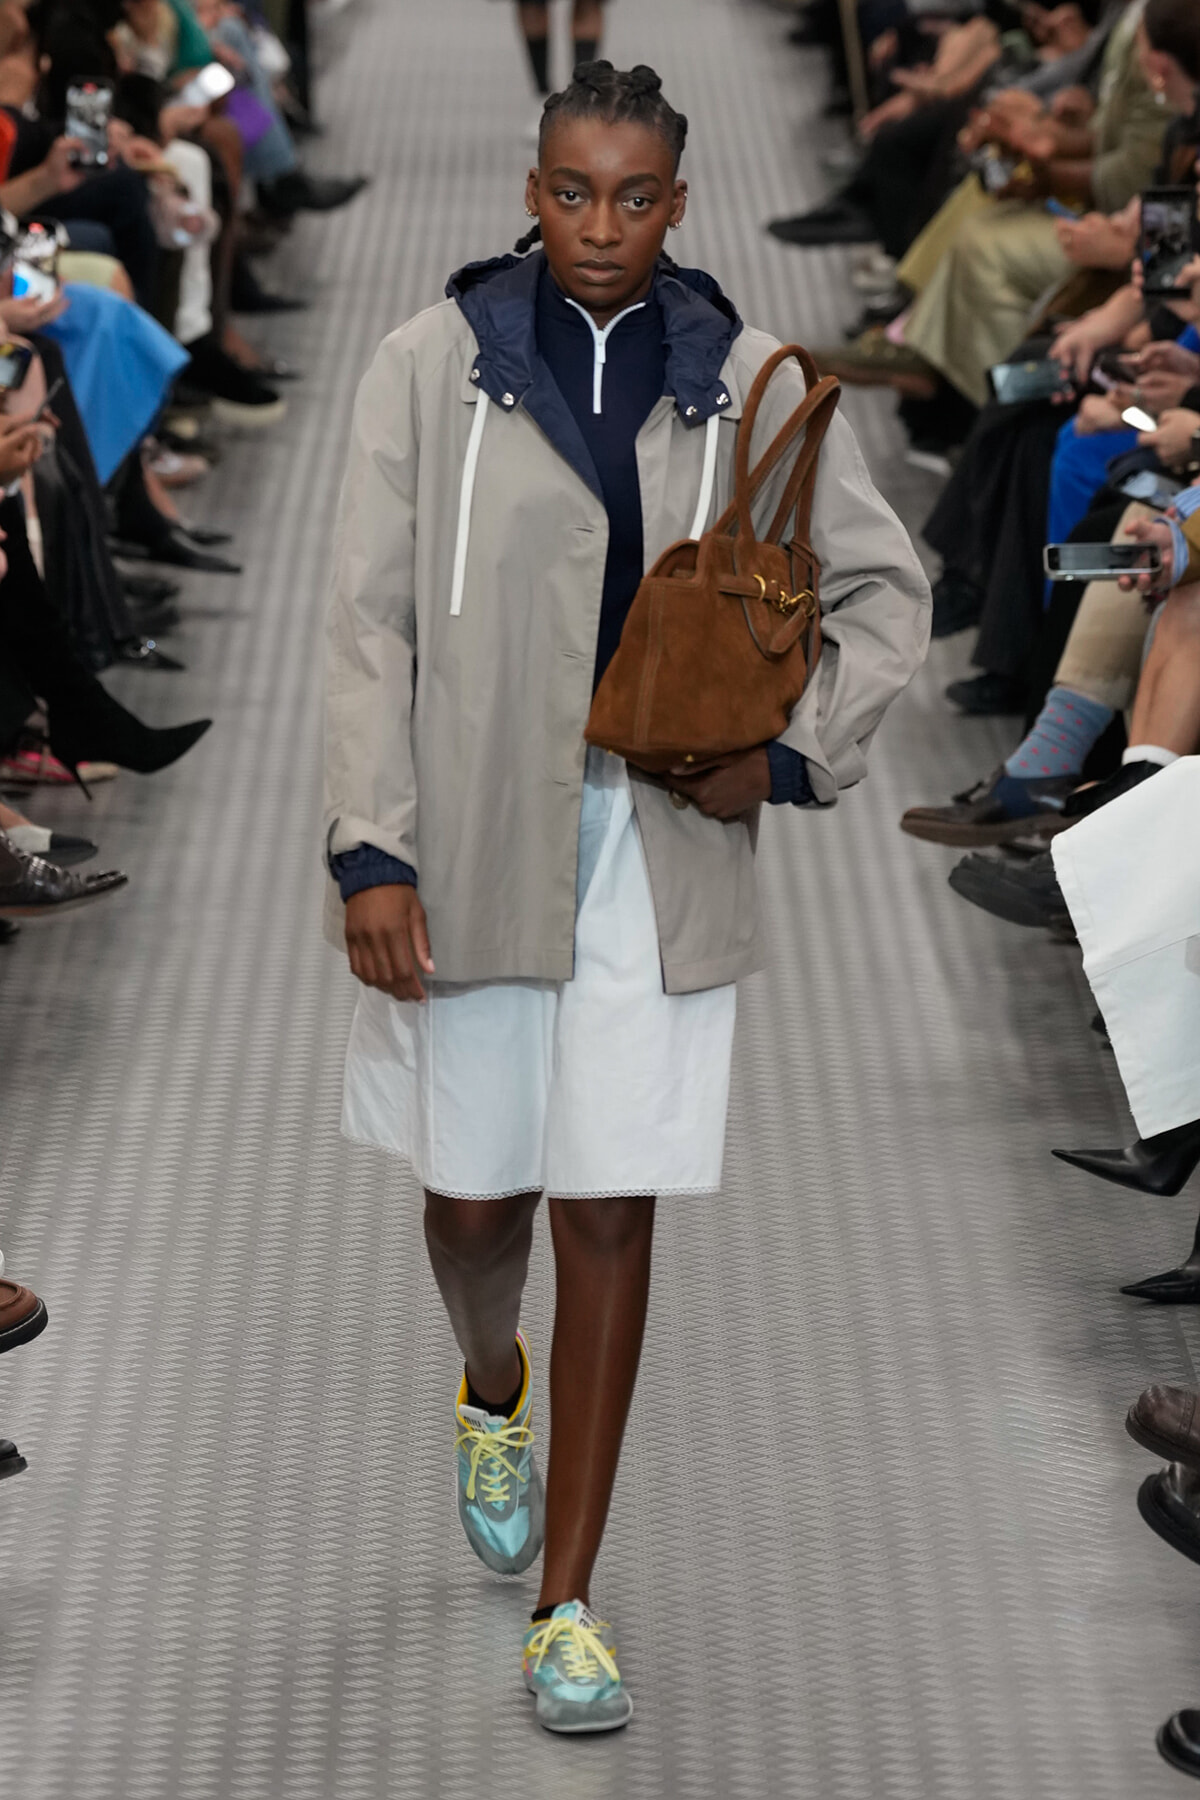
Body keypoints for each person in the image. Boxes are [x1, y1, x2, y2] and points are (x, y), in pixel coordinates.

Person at [323, 60, 930, 1734]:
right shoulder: (429, 369)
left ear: (680, 200)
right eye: (573, 192)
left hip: (657, 847)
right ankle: (488, 1382)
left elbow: (888, 586)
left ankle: (569, 1601)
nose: (601, 226)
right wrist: (369, 849)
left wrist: (796, 760)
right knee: (473, 1205)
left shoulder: (748, 382)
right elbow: (368, 621)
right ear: (532, 188)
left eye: (635, 196)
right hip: (469, 836)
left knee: (609, 1204)